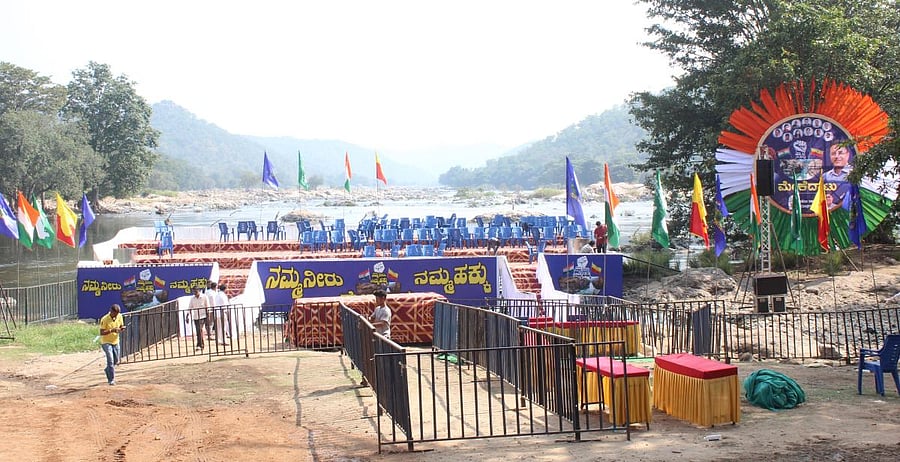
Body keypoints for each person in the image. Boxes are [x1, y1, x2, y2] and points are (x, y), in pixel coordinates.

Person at [99, 304, 126, 385]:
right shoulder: (105, 319)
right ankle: (111, 379)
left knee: (116, 360)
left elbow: (121, 325)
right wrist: (111, 330)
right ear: (111, 311)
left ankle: (108, 370)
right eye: (115, 313)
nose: (116, 315)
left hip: (115, 341)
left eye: (117, 314)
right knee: (110, 360)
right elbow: (101, 332)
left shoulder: (120, 316)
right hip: (106, 342)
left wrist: (121, 328)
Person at [187, 286, 209, 351]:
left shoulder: (204, 297)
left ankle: (200, 345)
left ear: (199, 291)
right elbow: (190, 307)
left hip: (203, 316)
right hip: (196, 316)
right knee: (198, 331)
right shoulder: (192, 298)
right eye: (194, 292)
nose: (195, 293)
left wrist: (208, 317)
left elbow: (207, 307)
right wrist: (187, 316)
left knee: (200, 330)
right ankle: (200, 344)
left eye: (196, 291)